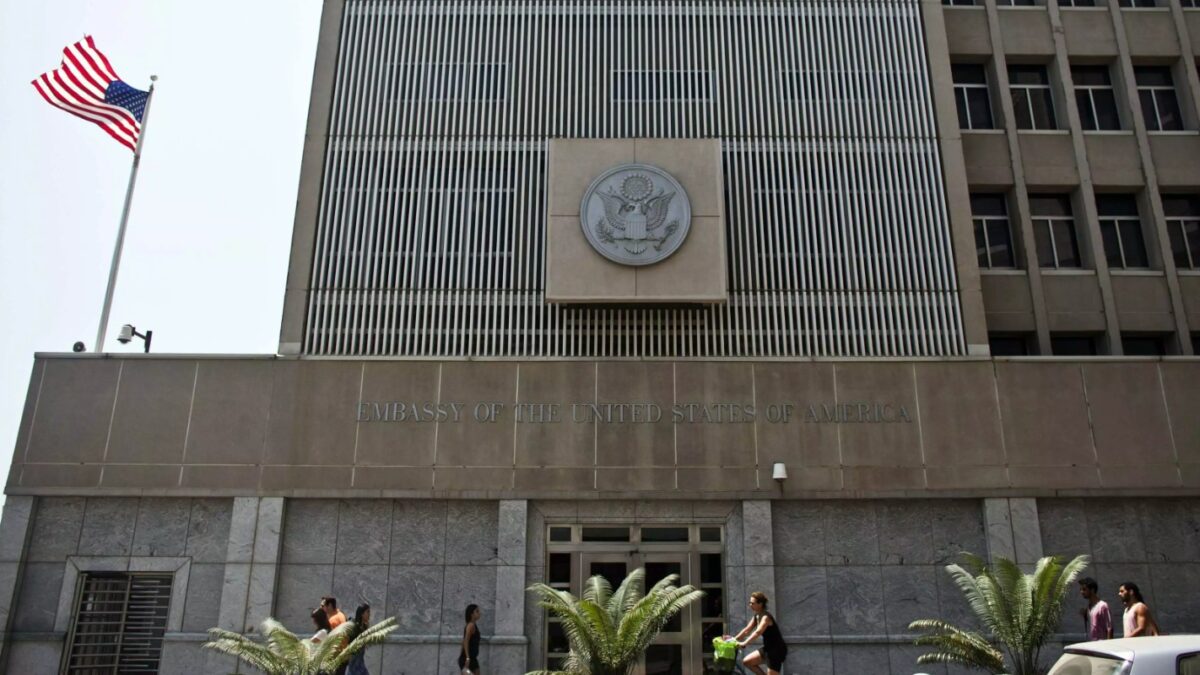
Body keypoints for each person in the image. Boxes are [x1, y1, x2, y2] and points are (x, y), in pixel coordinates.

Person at [726, 592, 786, 675]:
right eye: (749, 603)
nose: (750, 605)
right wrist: (733, 639)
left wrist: (744, 643)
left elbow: (758, 632)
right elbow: (747, 630)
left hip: (776, 650)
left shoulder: (766, 617)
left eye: (752, 603)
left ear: (760, 604)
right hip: (767, 649)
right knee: (747, 661)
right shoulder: (757, 616)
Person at [346, 603, 372, 675]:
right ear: (362, 614)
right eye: (368, 612)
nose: (369, 614)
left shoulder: (364, 626)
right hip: (353, 659)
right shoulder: (354, 625)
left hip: (360, 660)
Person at [459, 604, 482, 674]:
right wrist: (467, 658)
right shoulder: (471, 625)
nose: (479, 613)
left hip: (473, 659)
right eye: (477, 611)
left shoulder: (473, 625)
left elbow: (463, 642)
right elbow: (465, 641)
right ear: (471, 614)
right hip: (467, 659)